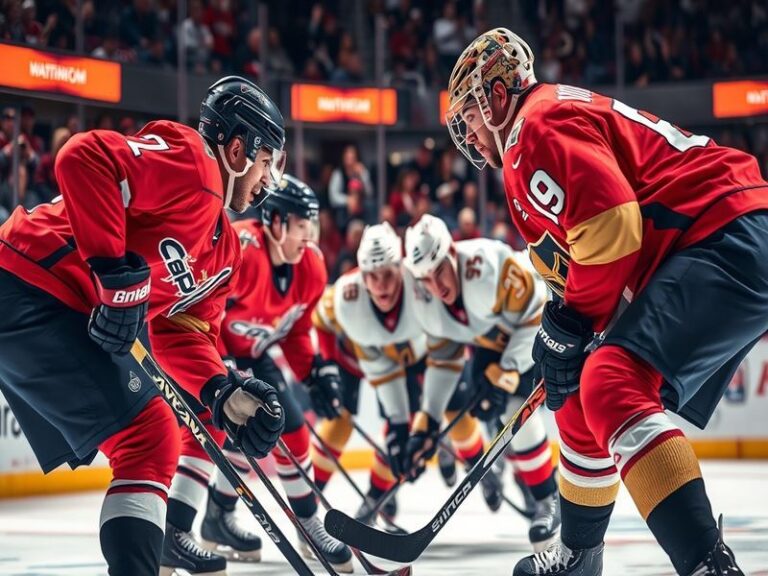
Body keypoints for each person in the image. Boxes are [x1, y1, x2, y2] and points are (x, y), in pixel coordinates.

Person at [446, 27, 768, 575]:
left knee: (609, 380)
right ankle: (579, 555)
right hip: (712, 236)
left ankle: (708, 566)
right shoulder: (535, 132)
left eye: (470, 117)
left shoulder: (533, 127)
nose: (469, 136)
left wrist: (571, 319)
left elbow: (612, 224)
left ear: (497, 96)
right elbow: (593, 250)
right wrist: (569, 330)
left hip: (721, 230)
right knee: (575, 395)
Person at [0, 75, 288, 576]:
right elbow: (83, 157)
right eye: (267, 162)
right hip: (28, 279)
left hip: (47, 301)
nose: (268, 180)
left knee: (150, 437)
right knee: (149, 435)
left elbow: (183, 331)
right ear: (238, 149)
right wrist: (113, 272)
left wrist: (221, 391)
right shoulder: (195, 162)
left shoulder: (225, 252)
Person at [165, 175, 354, 574]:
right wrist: (218, 370)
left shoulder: (313, 267)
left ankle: (288, 523)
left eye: (312, 226)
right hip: (212, 348)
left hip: (254, 352)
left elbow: (296, 330)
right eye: (302, 226)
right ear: (277, 222)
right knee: (213, 425)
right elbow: (198, 309)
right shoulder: (244, 251)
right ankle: (176, 528)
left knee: (290, 428)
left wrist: (313, 371)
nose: (310, 236)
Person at [311, 222, 494, 523]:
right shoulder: (345, 294)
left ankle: (481, 468)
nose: (381, 285)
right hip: (372, 361)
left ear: (403, 268)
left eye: (388, 274)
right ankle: (376, 495)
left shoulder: (423, 282)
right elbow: (319, 320)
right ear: (361, 274)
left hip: (424, 355)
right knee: (389, 430)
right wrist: (329, 365)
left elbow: (451, 324)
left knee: (457, 410)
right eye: (373, 276)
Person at [402, 214, 561, 552]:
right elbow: (444, 360)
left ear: (453, 253)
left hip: (545, 323)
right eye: (425, 279)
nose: (436, 286)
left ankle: (550, 497)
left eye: (439, 270)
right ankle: (524, 474)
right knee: (489, 408)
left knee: (514, 409)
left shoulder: (489, 265)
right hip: (494, 340)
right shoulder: (427, 298)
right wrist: (427, 421)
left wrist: (507, 373)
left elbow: (536, 314)